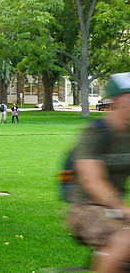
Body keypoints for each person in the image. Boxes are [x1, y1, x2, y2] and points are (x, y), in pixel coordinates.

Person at [66, 72, 130, 272]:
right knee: (126, 239)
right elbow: (91, 179)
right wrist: (121, 208)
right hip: (87, 209)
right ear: (119, 100)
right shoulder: (96, 132)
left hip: (117, 209)